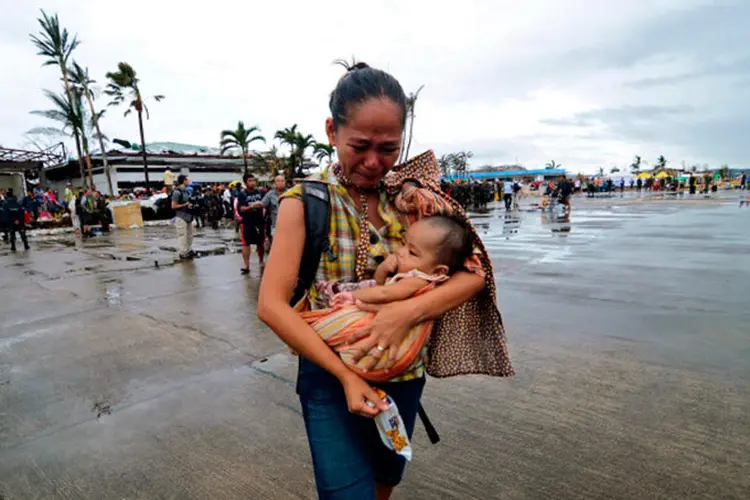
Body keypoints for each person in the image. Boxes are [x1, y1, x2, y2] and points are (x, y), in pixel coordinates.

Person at [258, 61, 512, 500]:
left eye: (388, 148)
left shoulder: (413, 199)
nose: (374, 162)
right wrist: (345, 375)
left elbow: (474, 274)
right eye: (359, 145)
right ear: (331, 131)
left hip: (404, 374)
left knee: (384, 481)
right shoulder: (304, 203)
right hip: (329, 376)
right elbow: (271, 305)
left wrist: (405, 313)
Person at [302, 215, 474, 380]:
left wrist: (352, 295)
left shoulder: (419, 279)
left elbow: (383, 293)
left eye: (412, 252)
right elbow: (380, 286)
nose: (400, 252)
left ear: (438, 271)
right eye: (403, 243)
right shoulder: (412, 274)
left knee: (321, 326)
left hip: (385, 347)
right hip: (385, 344)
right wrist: (383, 270)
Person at [236, 173, 265, 274]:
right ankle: (246, 265)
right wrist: (251, 207)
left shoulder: (260, 192)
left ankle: (261, 261)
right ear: (245, 183)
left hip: (259, 221)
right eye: (250, 181)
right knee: (246, 243)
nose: (252, 183)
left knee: (260, 243)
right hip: (248, 222)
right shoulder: (242, 194)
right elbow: (241, 208)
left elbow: (266, 203)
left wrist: (262, 205)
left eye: (253, 180)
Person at [171, 174, 195, 259]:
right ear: (184, 181)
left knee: (190, 235)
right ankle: (183, 252)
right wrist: (184, 204)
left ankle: (188, 250)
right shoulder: (177, 192)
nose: (189, 181)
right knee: (183, 235)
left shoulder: (186, 191)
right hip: (181, 216)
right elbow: (173, 206)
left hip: (188, 216)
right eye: (188, 180)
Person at [261, 175, 287, 243]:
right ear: (275, 183)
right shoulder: (270, 194)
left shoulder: (291, 193)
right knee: (276, 245)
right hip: (275, 225)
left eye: (282, 181)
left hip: (289, 225)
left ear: (285, 182)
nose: (280, 183)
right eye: (278, 181)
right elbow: (263, 204)